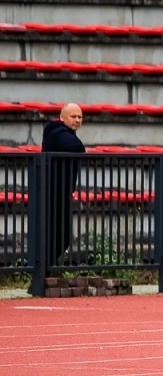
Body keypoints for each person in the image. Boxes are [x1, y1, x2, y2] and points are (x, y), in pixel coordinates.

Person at [41, 102, 85, 267]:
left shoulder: (63, 132)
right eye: (73, 116)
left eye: (80, 117)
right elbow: (77, 147)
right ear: (62, 117)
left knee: (61, 237)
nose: (77, 120)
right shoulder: (57, 132)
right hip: (52, 192)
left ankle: (45, 272)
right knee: (59, 236)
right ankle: (43, 272)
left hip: (60, 192)